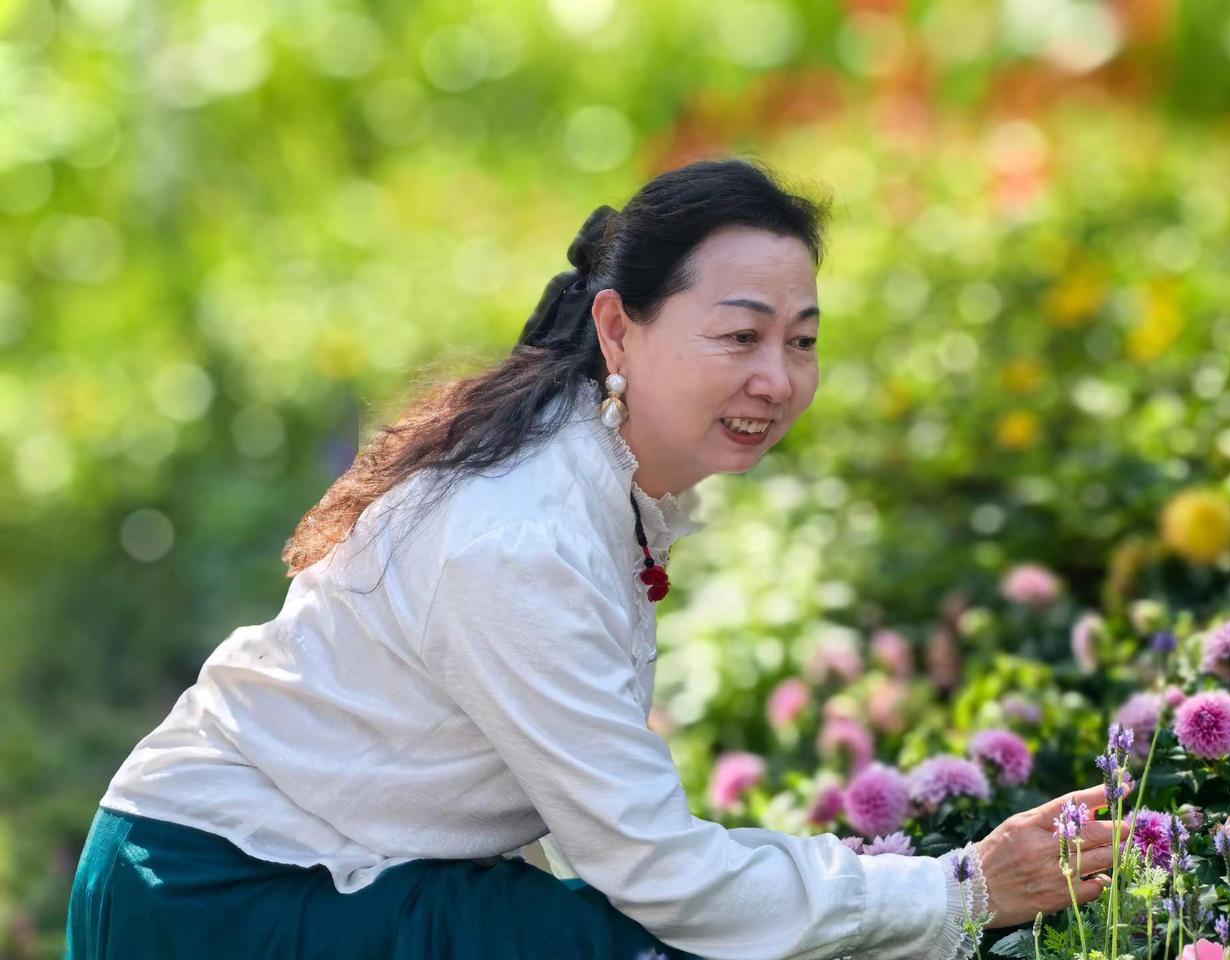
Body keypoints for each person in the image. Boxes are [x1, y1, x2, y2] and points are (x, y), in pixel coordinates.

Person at [65, 157, 1125, 960]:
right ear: (617, 330)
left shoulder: (588, 479)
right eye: (738, 336)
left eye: (800, 340)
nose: (776, 378)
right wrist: (959, 891)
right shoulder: (520, 534)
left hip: (308, 869)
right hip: (225, 894)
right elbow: (654, 870)